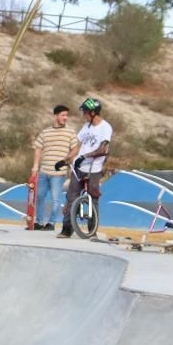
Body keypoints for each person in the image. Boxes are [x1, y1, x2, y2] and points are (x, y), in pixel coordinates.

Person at [57, 97, 112, 239]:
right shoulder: (86, 127)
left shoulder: (105, 127)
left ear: (93, 112)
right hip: (78, 168)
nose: (83, 115)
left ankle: (92, 231)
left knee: (93, 199)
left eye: (85, 112)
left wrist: (86, 156)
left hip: (94, 169)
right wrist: (65, 160)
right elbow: (77, 146)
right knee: (71, 197)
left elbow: (103, 148)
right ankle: (66, 230)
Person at [30, 104, 75, 232]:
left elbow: (75, 149)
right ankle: (38, 222)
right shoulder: (45, 132)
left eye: (67, 115)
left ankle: (51, 223)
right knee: (39, 197)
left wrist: (67, 160)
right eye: (63, 115)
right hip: (44, 171)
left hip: (59, 173)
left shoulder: (70, 132)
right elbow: (38, 149)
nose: (65, 118)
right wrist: (35, 167)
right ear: (56, 116)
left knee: (56, 200)